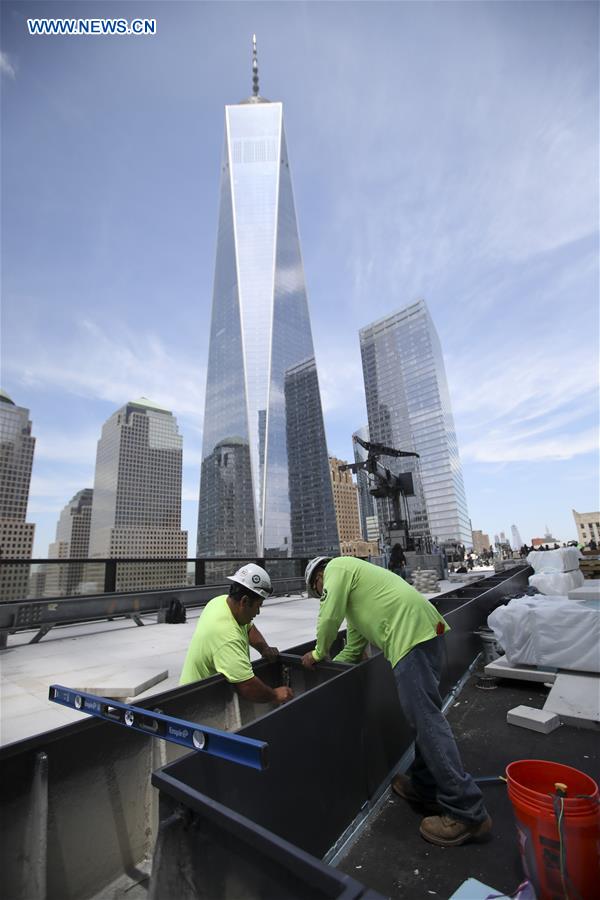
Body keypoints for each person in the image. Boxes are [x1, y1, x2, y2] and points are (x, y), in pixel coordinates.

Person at [301, 556, 492, 847]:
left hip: (410, 637)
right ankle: (425, 787)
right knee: (423, 719)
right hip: (422, 631)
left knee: (427, 721)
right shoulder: (357, 603)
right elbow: (352, 650)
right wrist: (327, 676)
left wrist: (317, 654)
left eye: (319, 591)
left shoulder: (337, 567)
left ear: (319, 576)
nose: (322, 594)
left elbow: (328, 616)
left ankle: (467, 812)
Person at [179, 564, 293, 705]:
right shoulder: (226, 635)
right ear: (244, 601)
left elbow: (248, 627)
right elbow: (247, 686)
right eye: (258, 606)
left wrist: (264, 648)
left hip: (202, 694)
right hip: (196, 704)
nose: (257, 612)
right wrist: (275, 695)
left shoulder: (220, 602)